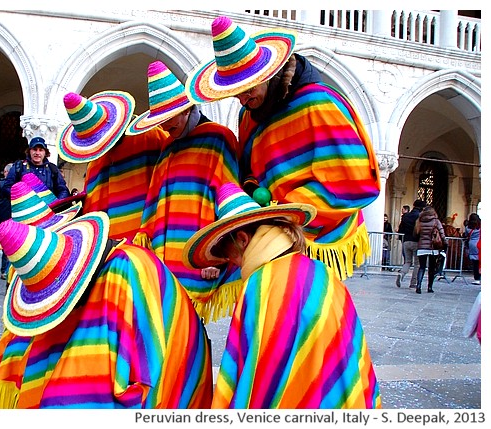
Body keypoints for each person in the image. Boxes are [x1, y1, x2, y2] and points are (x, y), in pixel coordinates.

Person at [185, 16, 381, 280]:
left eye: (248, 89)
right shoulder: (248, 116)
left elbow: (352, 180)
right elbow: (249, 169)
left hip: (319, 233)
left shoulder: (319, 103)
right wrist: (256, 193)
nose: (243, 99)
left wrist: (287, 210)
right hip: (273, 227)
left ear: (266, 75)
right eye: (236, 93)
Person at [0, 213, 213, 408]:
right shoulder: (121, 256)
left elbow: (94, 384)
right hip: (185, 365)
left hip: (175, 379)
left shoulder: (119, 277)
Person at [182, 182, 381, 408]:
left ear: (242, 240)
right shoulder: (322, 272)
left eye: (230, 257)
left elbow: (251, 373)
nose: (233, 265)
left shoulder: (260, 284)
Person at [124, 61, 241, 315]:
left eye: (168, 119)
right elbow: (155, 202)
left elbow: (229, 198)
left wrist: (216, 255)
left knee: (193, 329)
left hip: (201, 257)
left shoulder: (218, 138)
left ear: (186, 109)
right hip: (166, 258)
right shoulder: (168, 146)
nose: (164, 126)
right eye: (161, 120)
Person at [60, 89, 167, 241]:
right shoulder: (95, 162)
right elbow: (93, 207)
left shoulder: (151, 137)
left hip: (147, 238)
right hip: (111, 248)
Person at [3, 136, 70, 200]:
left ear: (45, 152)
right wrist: (21, 198)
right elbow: (6, 188)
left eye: (41, 150)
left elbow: (63, 190)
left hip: (48, 209)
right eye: (34, 149)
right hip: (24, 209)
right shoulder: (19, 167)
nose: (37, 153)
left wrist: (55, 204)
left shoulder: (52, 169)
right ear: (29, 151)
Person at [414, 205, 447, 294]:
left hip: (421, 247)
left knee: (422, 267)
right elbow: (441, 232)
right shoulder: (436, 221)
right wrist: (445, 243)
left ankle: (418, 286)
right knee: (432, 268)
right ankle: (429, 287)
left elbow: (416, 234)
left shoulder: (419, 221)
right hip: (433, 248)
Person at [396, 199, 425, 288]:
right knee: (417, 263)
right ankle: (413, 282)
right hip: (416, 241)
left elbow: (401, 229)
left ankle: (402, 274)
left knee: (407, 261)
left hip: (406, 240)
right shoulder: (420, 216)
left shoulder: (406, 216)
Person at [463, 213, 481, 285]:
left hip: (472, 245)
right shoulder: (481, 226)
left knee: (475, 264)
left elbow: (466, 235)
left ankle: (477, 278)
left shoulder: (468, 227)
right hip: (480, 244)